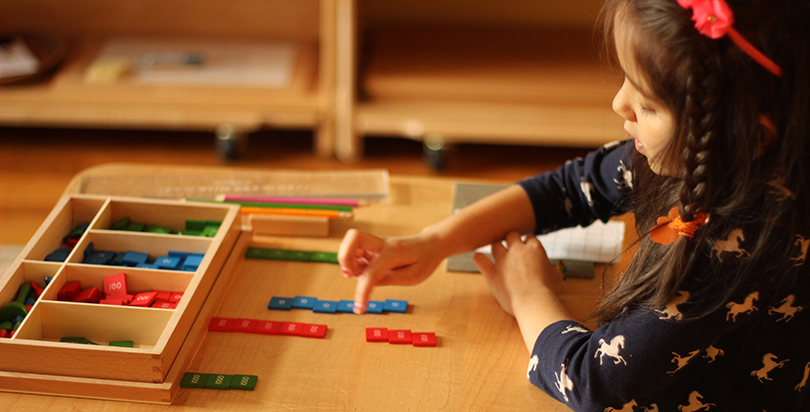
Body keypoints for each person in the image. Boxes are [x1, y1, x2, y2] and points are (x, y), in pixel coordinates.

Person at [337, 0, 810, 410]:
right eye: (626, 79)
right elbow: (567, 187)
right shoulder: (701, 154)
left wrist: (528, 294)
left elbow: (593, 382)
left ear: (746, 135)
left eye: (648, 104)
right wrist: (433, 242)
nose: (619, 103)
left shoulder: (737, 242)